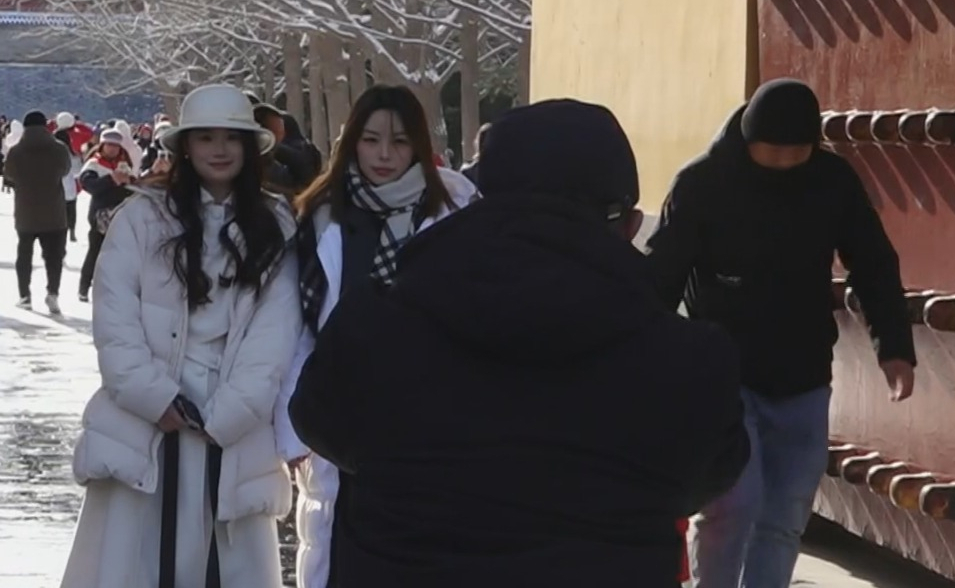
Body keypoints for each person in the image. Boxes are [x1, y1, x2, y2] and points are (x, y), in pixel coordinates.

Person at [288, 99, 750, 588]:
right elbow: (705, 478)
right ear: (632, 226)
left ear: (482, 198)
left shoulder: (376, 327)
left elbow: (319, 422)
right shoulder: (688, 364)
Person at [645, 78, 916, 588]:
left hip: (804, 374)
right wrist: (638, 353)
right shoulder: (702, 184)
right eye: (775, 152)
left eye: (800, 152)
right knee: (732, 502)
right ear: (749, 140)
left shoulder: (833, 181)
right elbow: (663, 272)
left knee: (786, 512)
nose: (788, 162)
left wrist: (895, 348)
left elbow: (874, 264)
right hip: (723, 372)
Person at [60, 83, 301, 588]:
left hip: (232, 418)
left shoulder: (275, 226)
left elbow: (276, 330)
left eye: (230, 139)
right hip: (146, 419)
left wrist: (232, 412)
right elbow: (114, 318)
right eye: (205, 137)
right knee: (134, 562)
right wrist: (152, 394)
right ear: (184, 147)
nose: (218, 150)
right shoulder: (142, 219)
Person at [275, 84, 479, 588]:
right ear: (351, 144)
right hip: (339, 409)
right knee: (333, 544)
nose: (384, 155)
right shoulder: (321, 214)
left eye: (400, 142)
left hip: (430, 411)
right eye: (370, 140)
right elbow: (299, 328)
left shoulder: (457, 212)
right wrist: (292, 422)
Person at [4, 111, 72, 312]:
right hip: (54, 210)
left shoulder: (16, 151)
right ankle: (52, 292)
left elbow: (9, 174)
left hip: (26, 209)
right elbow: (66, 170)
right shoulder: (58, 149)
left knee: (24, 253)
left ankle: (24, 295)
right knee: (54, 256)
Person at [76, 127, 137, 304]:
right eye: (109, 145)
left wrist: (129, 181)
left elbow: (135, 187)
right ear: (102, 145)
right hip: (100, 214)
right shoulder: (94, 164)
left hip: (123, 213)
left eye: (116, 146)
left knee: (119, 255)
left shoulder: (126, 164)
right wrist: (111, 180)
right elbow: (89, 185)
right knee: (95, 250)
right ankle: (84, 286)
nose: (112, 149)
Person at [55, 113, 85, 242]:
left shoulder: (50, 152)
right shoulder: (72, 155)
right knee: (71, 211)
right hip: (69, 188)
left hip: (53, 188)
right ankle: (71, 231)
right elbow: (77, 171)